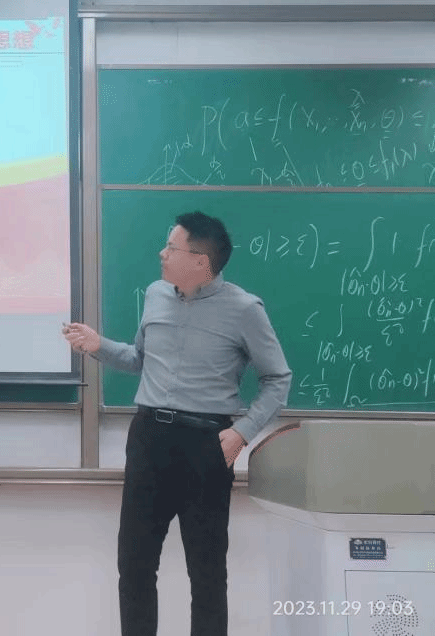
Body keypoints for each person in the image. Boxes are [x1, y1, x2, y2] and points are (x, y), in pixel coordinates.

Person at [63, 211, 291, 636]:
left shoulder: (244, 309)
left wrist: (241, 433)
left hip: (206, 445)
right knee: (134, 564)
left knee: (206, 572)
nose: (162, 254)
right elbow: (139, 358)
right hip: (149, 438)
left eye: (171, 247)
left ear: (200, 261)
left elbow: (278, 378)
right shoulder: (155, 294)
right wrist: (98, 345)